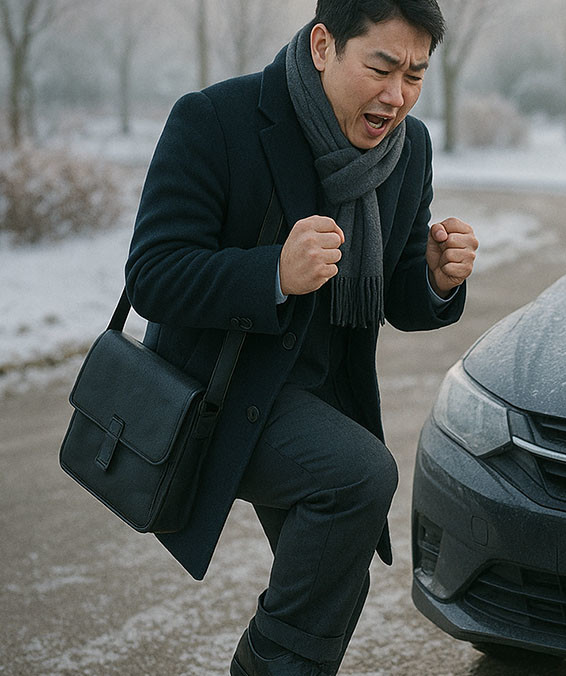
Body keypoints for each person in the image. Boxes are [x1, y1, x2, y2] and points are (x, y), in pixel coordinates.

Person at [124, 1, 475, 674]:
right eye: (381, 66)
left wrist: (434, 279)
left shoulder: (410, 150)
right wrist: (273, 273)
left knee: (332, 577)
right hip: (219, 391)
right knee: (357, 479)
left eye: (417, 74)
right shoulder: (217, 120)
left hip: (321, 395)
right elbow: (153, 275)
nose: (396, 95)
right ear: (323, 47)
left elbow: (399, 292)